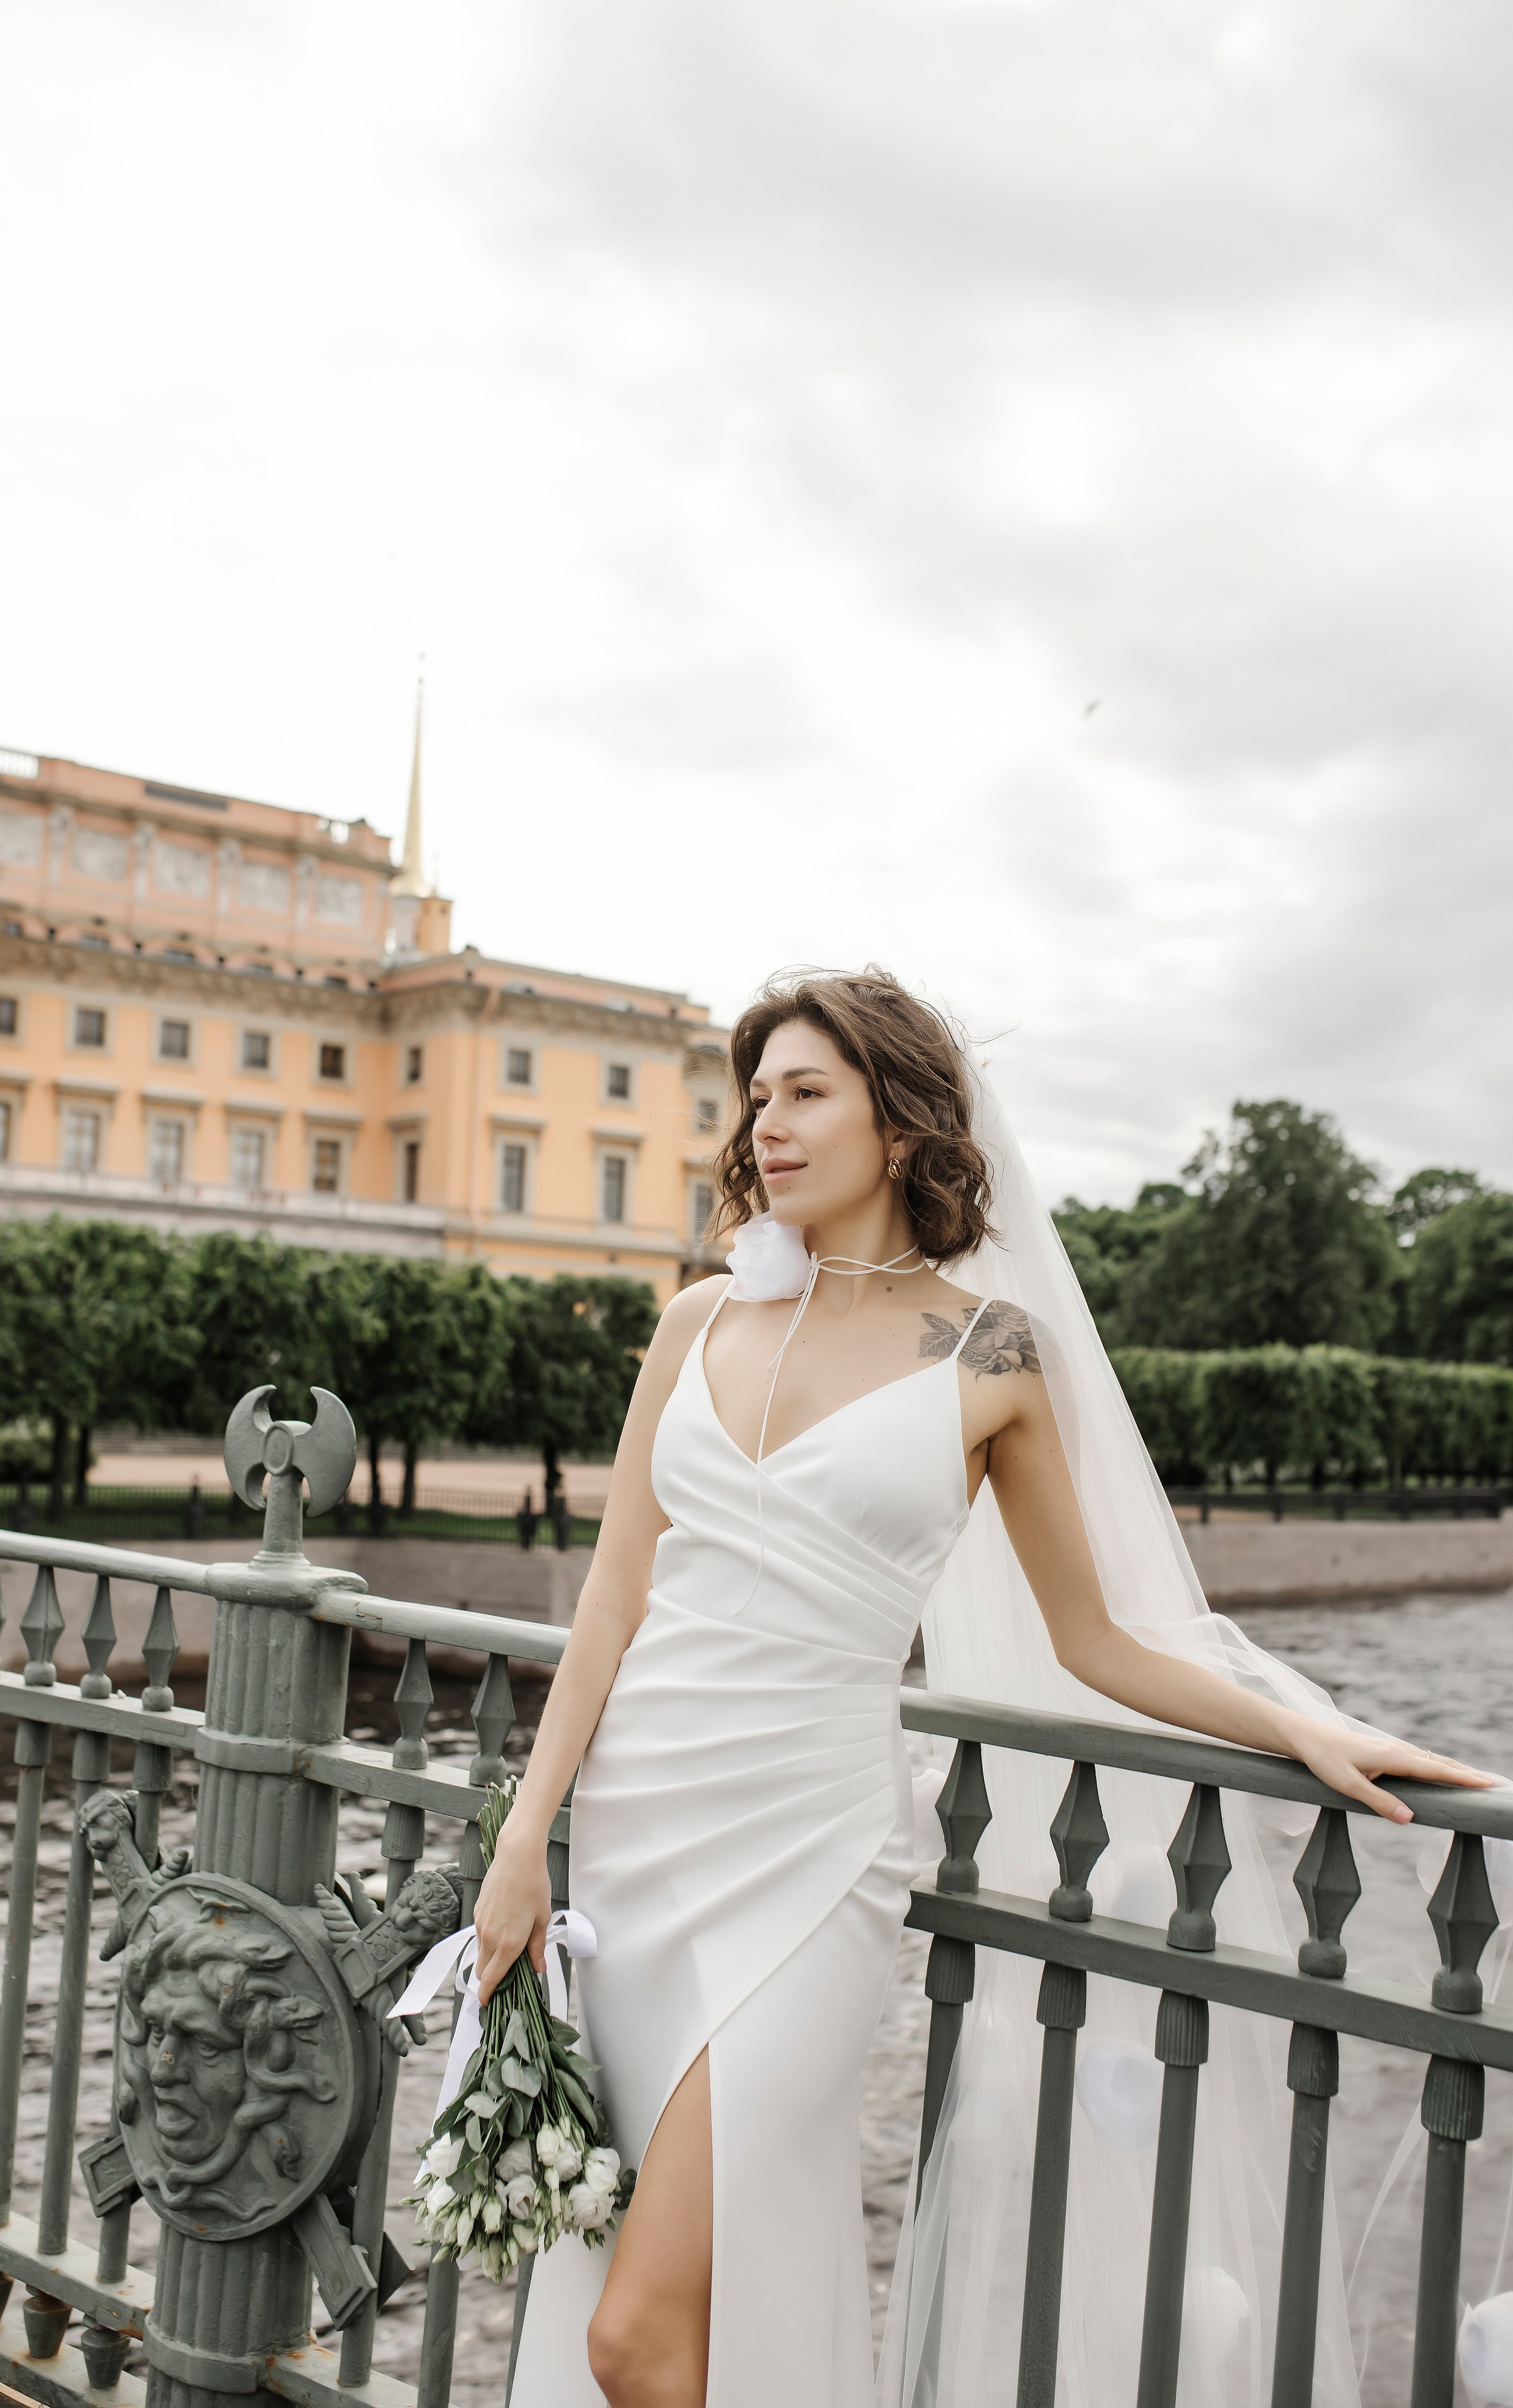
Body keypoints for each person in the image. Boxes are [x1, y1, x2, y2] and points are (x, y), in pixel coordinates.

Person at [472, 968, 1490, 2408]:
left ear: (899, 1124)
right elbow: (611, 1598)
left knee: (629, 2335)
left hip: (807, 1853)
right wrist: (526, 1840)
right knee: (652, 2292)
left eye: (805, 1092)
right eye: (755, 1098)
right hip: (637, 1834)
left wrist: (1298, 1726)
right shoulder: (694, 1324)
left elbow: (1095, 1639)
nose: (765, 1124)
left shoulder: (988, 1350)